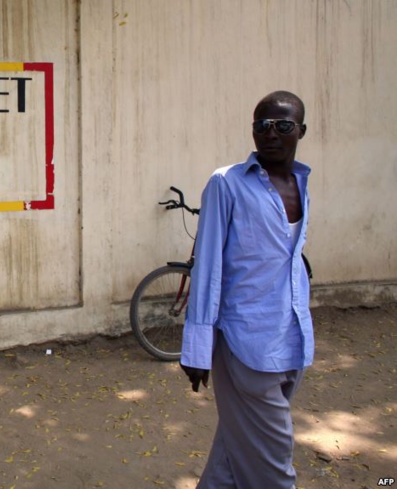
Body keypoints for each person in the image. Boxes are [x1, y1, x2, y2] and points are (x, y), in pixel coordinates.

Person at [180, 90, 313, 488]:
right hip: (246, 345)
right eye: (262, 125)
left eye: (283, 125)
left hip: (293, 338)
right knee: (274, 467)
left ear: (301, 131)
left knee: (235, 450)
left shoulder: (301, 182)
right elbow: (207, 267)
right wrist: (197, 347)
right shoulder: (227, 184)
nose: (271, 133)